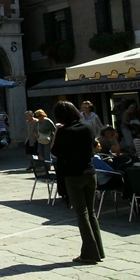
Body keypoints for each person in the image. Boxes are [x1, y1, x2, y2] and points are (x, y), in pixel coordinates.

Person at [50, 101, 105, 264]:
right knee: (92, 213)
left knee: (82, 214)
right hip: (90, 172)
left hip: (73, 176)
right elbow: (93, 147)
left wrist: (57, 133)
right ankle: (98, 250)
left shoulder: (64, 131)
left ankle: (89, 253)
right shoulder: (87, 127)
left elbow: (55, 152)